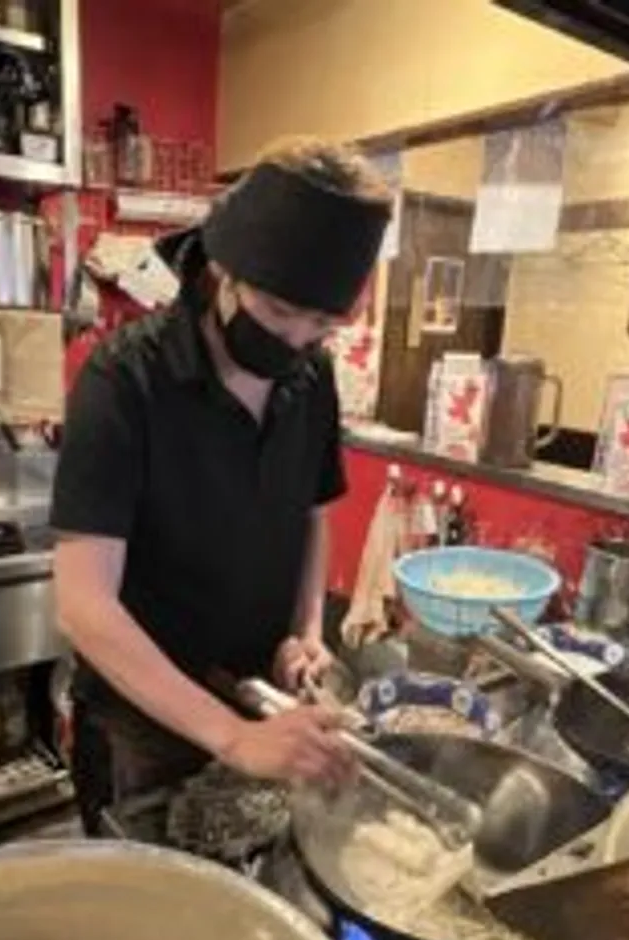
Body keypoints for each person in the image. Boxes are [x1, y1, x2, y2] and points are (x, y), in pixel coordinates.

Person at [50, 136, 394, 832]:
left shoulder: (311, 374)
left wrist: (304, 632)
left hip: (258, 696)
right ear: (221, 272)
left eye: (321, 325)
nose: (296, 339)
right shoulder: (123, 381)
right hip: (142, 721)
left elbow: (310, 513)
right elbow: (82, 605)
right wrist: (233, 737)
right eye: (275, 312)